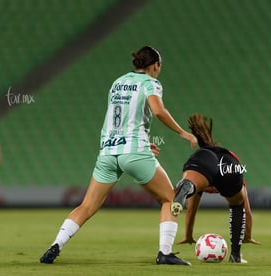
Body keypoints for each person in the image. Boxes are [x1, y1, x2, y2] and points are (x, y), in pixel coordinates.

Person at [40, 46, 197, 265]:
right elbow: (158, 111)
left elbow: (121, 119)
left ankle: (55, 245)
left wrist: (142, 141)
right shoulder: (150, 83)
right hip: (133, 152)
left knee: (87, 206)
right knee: (170, 199)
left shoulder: (118, 82)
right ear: (155, 65)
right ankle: (164, 253)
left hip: (108, 151)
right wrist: (183, 133)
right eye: (160, 67)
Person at [171, 114, 261, 263]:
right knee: (237, 205)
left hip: (201, 162)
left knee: (191, 185)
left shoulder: (203, 154)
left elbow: (192, 210)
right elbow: (247, 210)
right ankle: (236, 256)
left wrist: (188, 234)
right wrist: (248, 235)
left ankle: (187, 184)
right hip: (229, 165)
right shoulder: (228, 155)